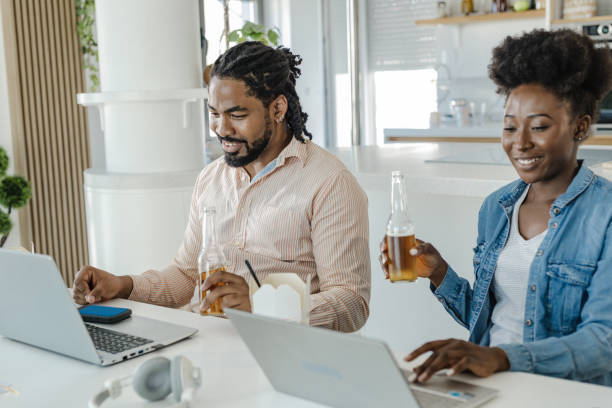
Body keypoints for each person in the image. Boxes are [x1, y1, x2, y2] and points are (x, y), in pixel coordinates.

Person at [73, 42, 371, 333]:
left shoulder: (330, 184)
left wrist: (262, 304)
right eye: (214, 113)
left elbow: (352, 303)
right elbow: (185, 275)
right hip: (206, 344)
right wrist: (123, 285)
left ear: (278, 108)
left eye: (237, 115)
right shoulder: (211, 179)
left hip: (280, 356)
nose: (221, 129)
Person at [380, 29, 612, 385]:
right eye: (509, 127)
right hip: (491, 383)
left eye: (538, 127)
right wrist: (440, 273)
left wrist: (502, 358)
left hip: (561, 393)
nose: (520, 143)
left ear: (579, 127)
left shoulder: (604, 214)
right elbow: (491, 319)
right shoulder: (497, 208)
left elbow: (603, 343)